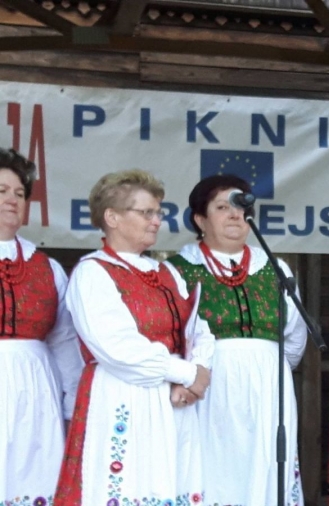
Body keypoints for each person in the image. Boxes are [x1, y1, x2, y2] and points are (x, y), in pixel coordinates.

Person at [55, 169, 214, 504]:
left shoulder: (166, 271)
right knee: (126, 485)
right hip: (122, 395)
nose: (156, 221)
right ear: (112, 217)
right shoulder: (92, 272)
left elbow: (198, 329)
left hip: (175, 401)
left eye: (158, 213)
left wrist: (196, 371)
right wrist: (187, 374)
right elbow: (118, 347)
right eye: (146, 212)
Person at [168, 174, 308, 505]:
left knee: (267, 465)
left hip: (269, 386)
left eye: (240, 207)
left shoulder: (275, 268)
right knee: (213, 466)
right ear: (200, 219)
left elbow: (295, 335)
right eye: (222, 207)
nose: (234, 214)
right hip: (209, 387)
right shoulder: (178, 269)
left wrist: (266, 367)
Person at [0, 148, 82, 504]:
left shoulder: (46, 267)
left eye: (20, 193)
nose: (12, 200)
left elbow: (64, 341)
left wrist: (71, 406)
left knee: (35, 478)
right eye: (2, 191)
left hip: (36, 390)